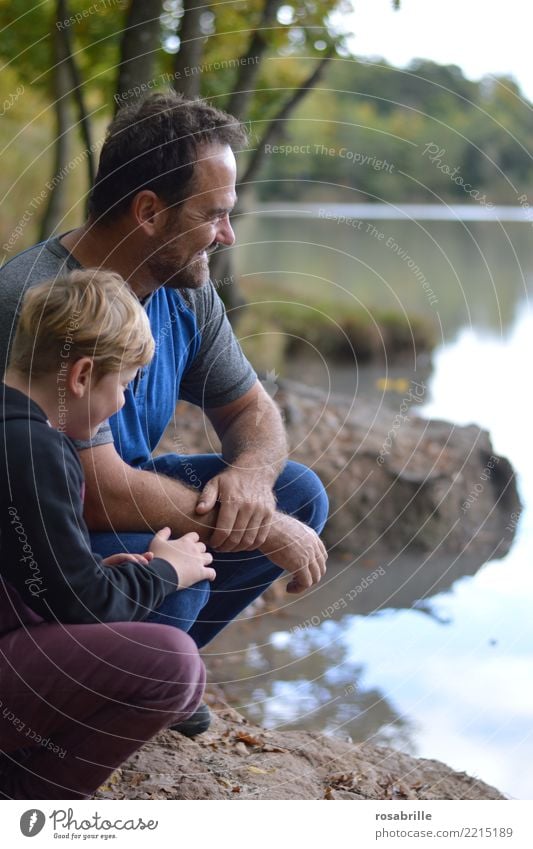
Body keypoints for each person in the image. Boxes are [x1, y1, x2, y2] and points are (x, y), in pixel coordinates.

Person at [0, 92, 329, 655]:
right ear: (149, 211)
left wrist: (250, 478)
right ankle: (118, 673)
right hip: (42, 535)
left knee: (295, 493)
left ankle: (157, 671)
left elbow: (252, 409)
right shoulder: (37, 299)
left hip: (113, 500)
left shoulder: (182, 288)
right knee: (174, 589)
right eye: (213, 214)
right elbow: (95, 493)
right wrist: (262, 530)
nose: (227, 235)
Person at [0, 269, 215, 799]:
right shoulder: (34, 448)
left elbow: (26, 572)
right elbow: (88, 609)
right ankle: (30, 801)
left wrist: (93, 574)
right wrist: (168, 569)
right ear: (81, 375)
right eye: (121, 385)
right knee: (174, 664)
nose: (121, 402)